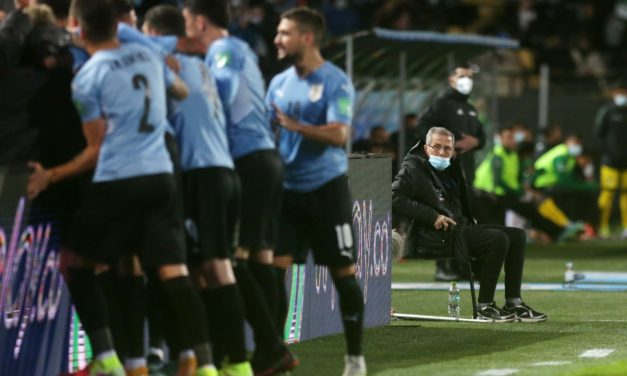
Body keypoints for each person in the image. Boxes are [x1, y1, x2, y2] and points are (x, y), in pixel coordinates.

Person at [27, 1, 216, 375]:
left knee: (76, 262)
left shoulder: (87, 77)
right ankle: (206, 365)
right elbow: (179, 91)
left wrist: (52, 175)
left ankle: (107, 358)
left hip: (119, 179)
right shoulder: (145, 54)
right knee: (171, 270)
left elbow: (95, 150)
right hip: (161, 174)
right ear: (116, 25)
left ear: (79, 30)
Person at [181, 1, 295, 374]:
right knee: (260, 259)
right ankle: (271, 349)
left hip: (248, 160)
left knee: (233, 260)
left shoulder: (224, 50)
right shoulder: (239, 49)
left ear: (199, 22)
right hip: (263, 158)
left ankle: (270, 346)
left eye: (186, 23)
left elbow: (223, 91)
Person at [143, 5, 258, 374]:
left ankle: (233, 362)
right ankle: (204, 357)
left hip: (200, 174)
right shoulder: (200, 65)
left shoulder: (167, 62)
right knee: (202, 269)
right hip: (224, 170)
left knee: (215, 268)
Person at [267, 7, 366, 376]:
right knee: (274, 271)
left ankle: (354, 358)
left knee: (343, 272)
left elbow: (339, 135)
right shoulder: (277, 83)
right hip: (287, 193)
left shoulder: (335, 82)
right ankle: (275, 355)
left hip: (326, 191)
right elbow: (267, 131)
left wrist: (295, 126)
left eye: (284, 33)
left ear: (306, 38)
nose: (277, 40)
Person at [392, 126, 547, 322]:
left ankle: (514, 303)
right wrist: (432, 216)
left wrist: (468, 215)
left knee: (517, 235)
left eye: (447, 148)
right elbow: (395, 197)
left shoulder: (453, 166)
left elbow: (456, 199)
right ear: (426, 148)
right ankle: (485, 306)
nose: (442, 152)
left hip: (459, 228)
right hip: (435, 234)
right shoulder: (413, 168)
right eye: (437, 147)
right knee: (497, 239)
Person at [416, 62, 487, 280]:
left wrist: (475, 141)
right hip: (446, 171)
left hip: (466, 170)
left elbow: (481, 137)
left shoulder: (471, 109)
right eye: (462, 76)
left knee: (464, 218)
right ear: (451, 80)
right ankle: (443, 266)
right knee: (445, 216)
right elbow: (422, 128)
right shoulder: (442, 105)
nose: (467, 80)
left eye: (469, 77)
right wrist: (445, 148)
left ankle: (460, 266)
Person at [473, 125, 581, 242]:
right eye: (508, 138)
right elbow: (498, 182)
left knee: (530, 210)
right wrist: (518, 192)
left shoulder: (513, 155)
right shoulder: (498, 156)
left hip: (505, 194)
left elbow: (516, 177)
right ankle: (556, 231)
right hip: (489, 194)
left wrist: (522, 188)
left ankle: (557, 231)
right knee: (498, 221)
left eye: (513, 138)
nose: (512, 141)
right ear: (500, 139)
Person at [533, 134, 598, 228]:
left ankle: (575, 225)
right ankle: (569, 225)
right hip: (543, 185)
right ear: (567, 142)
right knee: (577, 196)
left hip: (554, 185)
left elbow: (568, 178)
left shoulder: (570, 156)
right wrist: (586, 186)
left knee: (579, 195)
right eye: (575, 142)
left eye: (579, 143)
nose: (577, 145)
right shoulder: (561, 154)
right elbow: (563, 181)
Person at [594, 79, 627, 239]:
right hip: (610, 162)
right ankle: (602, 226)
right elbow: (599, 134)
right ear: (613, 94)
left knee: (626, 196)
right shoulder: (607, 111)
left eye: (623, 92)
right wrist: (607, 153)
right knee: (607, 194)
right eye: (618, 92)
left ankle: (626, 227)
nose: (621, 95)